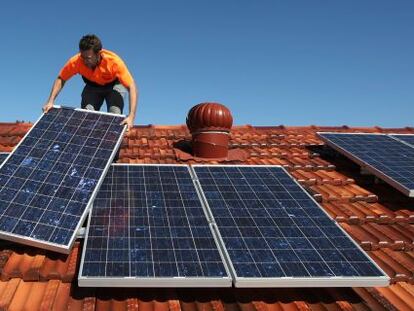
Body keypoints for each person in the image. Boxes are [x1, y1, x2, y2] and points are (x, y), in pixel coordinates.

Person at [43, 34, 138, 130]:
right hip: (92, 86)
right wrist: (50, 101)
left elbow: (132, 86)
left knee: (114, 115)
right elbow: (61, 78)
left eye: (88, 58)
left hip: (114, 85)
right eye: (82, 57)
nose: (84, 61)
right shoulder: (76, 61)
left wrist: (131, 116)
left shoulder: (114, 62)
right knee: (87, 116)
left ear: (99, 54)